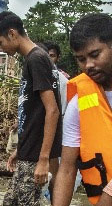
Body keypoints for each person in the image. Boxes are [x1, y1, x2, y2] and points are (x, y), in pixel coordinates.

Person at [0, 12, 61, 206]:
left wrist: (43, 159)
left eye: (0, 42)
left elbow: (52, 110)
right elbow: (33, 111)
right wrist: (20, 149)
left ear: (12, 34)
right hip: (28, 151)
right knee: (10, 201)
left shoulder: (36, 59)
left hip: (36, 155)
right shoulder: (33, 58)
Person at [53, 13, 112, 206]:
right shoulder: (79, 102)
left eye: (95, 55)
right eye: (81, 59)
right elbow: (67, 169)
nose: (88, 65)